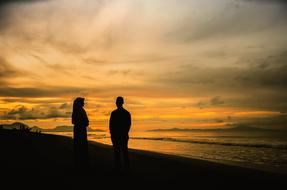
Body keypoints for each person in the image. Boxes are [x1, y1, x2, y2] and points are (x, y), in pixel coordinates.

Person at [109, 96, 131, 171]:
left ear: (117, 103)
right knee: (124, 152)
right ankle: (126, 168)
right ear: (122, 103)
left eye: (117, 102)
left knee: (117, 152)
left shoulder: (114, 113)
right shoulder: (126, 113)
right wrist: (125, 132)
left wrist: (112, 134)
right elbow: (128, 125)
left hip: (117, 136)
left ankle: (118, 168)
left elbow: (111, 126)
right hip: (123, 135)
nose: (116, 103)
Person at [72, 97, 89, 172]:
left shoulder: (76, 110)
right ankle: (82, 166)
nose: (84, 103)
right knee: (81, 148)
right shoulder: (80, 110)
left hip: (78, 131)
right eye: (83, 101)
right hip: (81, 131)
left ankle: (79, 164)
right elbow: (85, 121)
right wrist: (84, 122)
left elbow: (73, 121)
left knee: (78, 148)